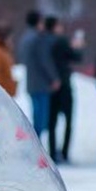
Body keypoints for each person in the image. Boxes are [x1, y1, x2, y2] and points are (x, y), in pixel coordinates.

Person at [44, 16, 83, 164]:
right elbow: (76, 57)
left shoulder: (43, 41)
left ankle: (52, 151)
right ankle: (65, 152)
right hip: (64, 84)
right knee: (68, 120)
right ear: (55, 26)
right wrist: (77, 46)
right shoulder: (61, 41)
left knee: (52, 121)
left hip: (49, 86)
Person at [21, 11, 59, 146]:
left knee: (35, 114)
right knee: (41, 119)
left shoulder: (25, 37)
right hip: (41, 83)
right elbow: (45, 61)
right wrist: (54, 78)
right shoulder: (38, 39)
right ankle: (36, 146)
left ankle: (34, 145)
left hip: (31, 82)